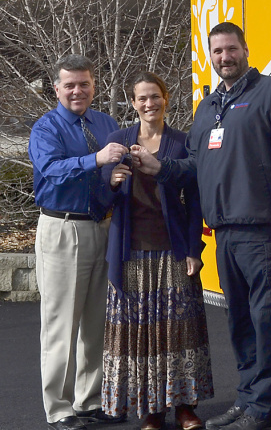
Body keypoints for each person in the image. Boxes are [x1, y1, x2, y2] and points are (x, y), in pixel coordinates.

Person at [130, 23, 271, 430]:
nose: (224, 57)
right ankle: (247, 403)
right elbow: (194, 166)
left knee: (268, 324)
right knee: (241, 324)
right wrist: (159, 167)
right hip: (225, 234)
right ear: (211, 56)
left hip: (264, 233)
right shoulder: (208, 107)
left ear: (246, 48)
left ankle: (265, 411)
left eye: (231, 49)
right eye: (217, 51)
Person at [101, 72, 213, 430]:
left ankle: (185, 408)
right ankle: (152, 411)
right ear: (132, 103)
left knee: (179, 332)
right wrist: (113, 183)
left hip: (173, 249)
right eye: (142, 98)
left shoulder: (181, 143)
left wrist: (194, 249)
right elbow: (100, 197)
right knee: (141, 335)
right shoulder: (118, 140)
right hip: (130, 251)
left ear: (166, 98)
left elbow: (194, 202)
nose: (150, 104)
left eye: (156, 96)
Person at [29, 54, 128, 429]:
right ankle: (58, 409)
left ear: (94, 85)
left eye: (84, 84)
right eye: (69, 85)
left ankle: (90, 401)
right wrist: (96, 159)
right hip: (62, 229)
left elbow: (113, 172)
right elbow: (51, 170)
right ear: (56, 89)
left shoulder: (106, 123)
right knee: (60, 324)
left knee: (95, 322)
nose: (77, 91)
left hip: (102, 227)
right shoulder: (45, 127)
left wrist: (117, 175)